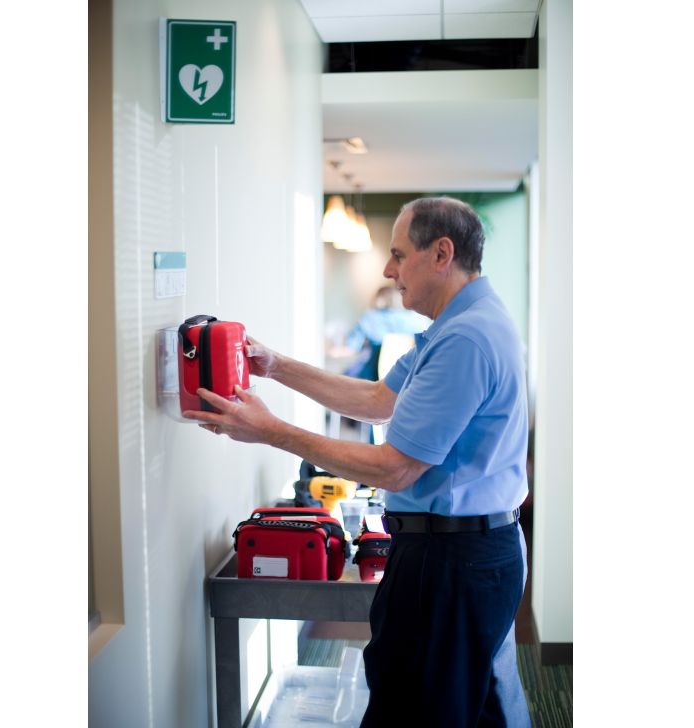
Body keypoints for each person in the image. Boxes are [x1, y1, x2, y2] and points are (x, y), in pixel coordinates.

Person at [184, 196, 531, 727]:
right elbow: (376, 399)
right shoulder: (459, 322)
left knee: (418, 709)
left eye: (397, 254)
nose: (389, 270)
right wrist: (275, 366)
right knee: (459, 703)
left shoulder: (466, 336)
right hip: (459, 549)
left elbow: (395, 467)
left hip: (454, 558)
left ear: (442, 253)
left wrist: (269, 430)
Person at [342, 285, 429, 381]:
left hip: (372, 378)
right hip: (409, 378)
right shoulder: (418, 319)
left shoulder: (370, 317)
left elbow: (352, 348)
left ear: (378, 299)